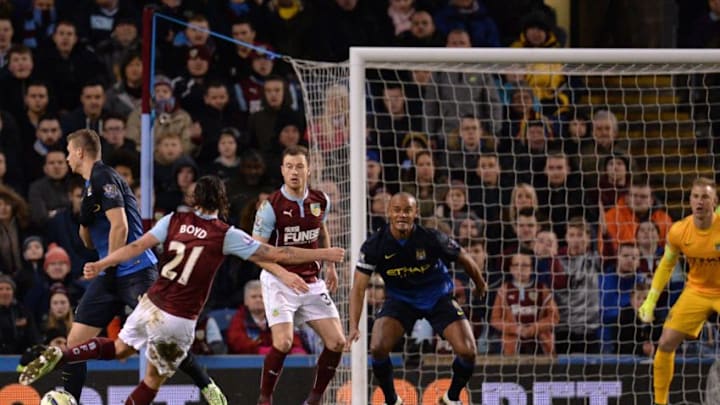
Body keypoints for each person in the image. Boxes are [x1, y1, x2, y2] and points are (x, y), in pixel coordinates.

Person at [18, 175, 345, 405]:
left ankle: (65, 353)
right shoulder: (225, 233)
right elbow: (278, 254)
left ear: (194, 199)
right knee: (151, 381)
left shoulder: (173, 220)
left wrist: (102, 264)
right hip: (178, 319)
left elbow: (136, 247)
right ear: (222, 200)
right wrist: (322, 254)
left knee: (117, 348)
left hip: (151, 303)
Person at [52, 129, 226, 404]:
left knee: (162, 335)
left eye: (68, 150)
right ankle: (69, 398)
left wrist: (107, 266)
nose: (66, 157)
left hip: (134, 270)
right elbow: (87, 241)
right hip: (109, 274)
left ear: (80, 152)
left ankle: (207, 384)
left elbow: (120, 227)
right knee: (76, 342)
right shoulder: (88, 187)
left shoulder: (103, 176)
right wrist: (84, 221)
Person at [349, 192, 488, 405]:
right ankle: (392, 400)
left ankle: (451, 398)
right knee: (377, 348)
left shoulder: (431, 237)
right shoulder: (374, 245)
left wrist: (480, 283)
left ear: (415, 213)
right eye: (397, 210)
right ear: (389, 212)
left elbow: (465, 258)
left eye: (407, 210)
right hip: (401, 300)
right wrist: (353, 325)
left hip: (437, 297)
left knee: (468, 351)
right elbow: (358, 288)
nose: (402, 215)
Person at [252, 145, 345, 405]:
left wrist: (330, 267)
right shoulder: (270, 206)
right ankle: (265, 398)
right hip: (279, 280)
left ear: (309, 169)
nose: (294, 172)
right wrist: (284, 275)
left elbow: (321, 230)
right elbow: (256, 252)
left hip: (311, 282)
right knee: (283, 343)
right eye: (289, 166)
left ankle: (314, 399)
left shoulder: (320, 200)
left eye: (299, 166)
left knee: (337, 342)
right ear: (282, 170)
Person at [638, 177, 720, 405]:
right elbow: (666, 265)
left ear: (714, 201)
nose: (699, 202)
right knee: (664, 343)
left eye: (705, 196)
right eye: (695, 196)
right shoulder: (678, 231)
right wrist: (651, 301)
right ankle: (660, 402)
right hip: (696, 291)